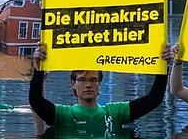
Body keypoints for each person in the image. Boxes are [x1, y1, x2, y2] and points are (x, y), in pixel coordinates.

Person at [27, 43, 173, 128]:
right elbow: (36, 101)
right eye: (82, 80)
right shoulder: (64, 115)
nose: (88, 84)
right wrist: (38, 71)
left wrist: (163, 66)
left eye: (93, 79)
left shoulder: (115, 113)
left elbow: (154, 99)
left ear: (100, 83)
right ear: (73, 84)